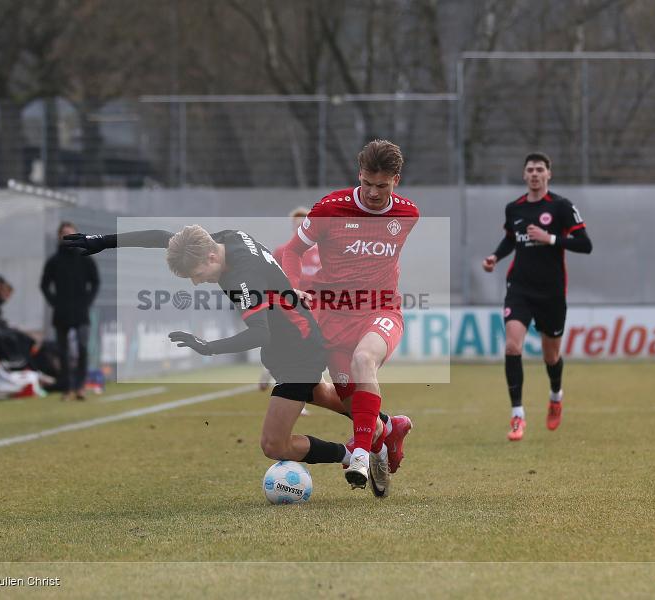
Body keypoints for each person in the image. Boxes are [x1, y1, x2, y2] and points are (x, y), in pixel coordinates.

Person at [62, 226, 395, 482]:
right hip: (292, 338)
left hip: (296, 348)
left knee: (274, 445)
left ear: (210, 259)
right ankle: (386, 425)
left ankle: (349, 454)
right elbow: (163, 237)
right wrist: (102, 241)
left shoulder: (241, 278)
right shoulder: (222, 238)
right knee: (321, 394)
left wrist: (207, 347)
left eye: (197, 276)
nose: (196, 283)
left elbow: (259, 333)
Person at [278, 139, 417, 494]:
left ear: (396, 180)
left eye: (381, 186)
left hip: (383, 310)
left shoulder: (407, 214)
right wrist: (294, 288)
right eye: (367, 183)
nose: (372, 192)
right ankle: (388, 434)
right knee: (356, 408)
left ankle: (359, 454)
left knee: (364, 358)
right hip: (335, 319)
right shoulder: (330, 208)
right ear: (359, 175)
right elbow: (292, 251)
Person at [481, 152, 593, 441]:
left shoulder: (561, 206)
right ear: (524, 174)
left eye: (539, 169)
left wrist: (550, 238)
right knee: (512, 347)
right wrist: (495, 256)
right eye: (530, 169)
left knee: (551, 355)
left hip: (552, 292)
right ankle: (517, 415)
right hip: (519, 289)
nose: (534, 173)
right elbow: (510, 238)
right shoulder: (514, 208)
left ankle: (556, 395)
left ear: (548, 174)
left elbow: (585, 244)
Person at [258, 206, 322, 401]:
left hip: (317, 308)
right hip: (291, 308)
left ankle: (301, 391)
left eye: (303, 224)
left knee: (311, 352)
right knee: (294, 350)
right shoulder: (282, 252)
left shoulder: (322, 253)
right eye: (296, 224)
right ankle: (271, 372)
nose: (299, 227)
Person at [41, 222, 100, 401]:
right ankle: (67, 388)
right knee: (63, 351)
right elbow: (44, 285)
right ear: (59, 237)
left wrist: (87, 302)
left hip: (81, 312)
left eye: (70, 233)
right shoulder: (54, 261)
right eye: (64, 234)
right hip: (62, 313)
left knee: (82, 348)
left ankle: (80, 386)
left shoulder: (85, 257)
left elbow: (95, 282)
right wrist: (54, 303)